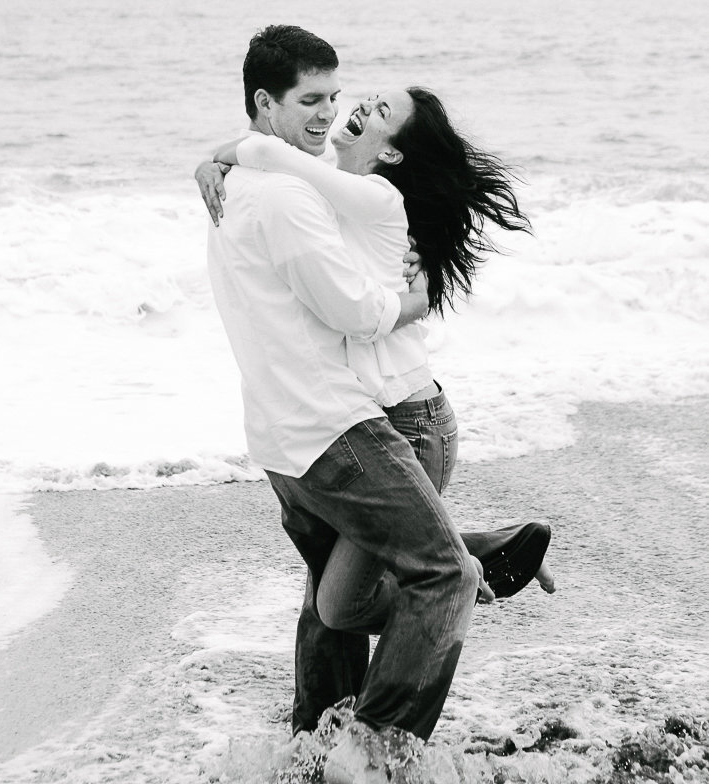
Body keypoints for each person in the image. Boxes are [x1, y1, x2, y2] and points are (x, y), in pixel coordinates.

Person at [193, 24, 490, 780]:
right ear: (268, 101)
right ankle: (373, 754)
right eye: (311, 100)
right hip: (336, 426)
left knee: (330, 603)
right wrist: (411, 300)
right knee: (434, 577)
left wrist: (227, 150)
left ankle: (319, 747)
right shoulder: (291, 198)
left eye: (339, 97)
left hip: (287, 434)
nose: (330, 114)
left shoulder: (256, 189)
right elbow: (356, 311)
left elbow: (343, 277)